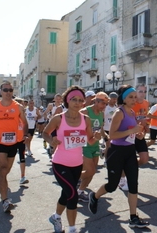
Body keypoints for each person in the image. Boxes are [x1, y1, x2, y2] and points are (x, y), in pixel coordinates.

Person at [88, 85, 149, 228]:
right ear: (124, 98)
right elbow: (113, 136)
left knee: (133, 185)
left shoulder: (132, 112)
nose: (134, 99)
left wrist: (138, 134)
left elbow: (130, 132)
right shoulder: (119, 113)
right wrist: (131, 131)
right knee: (112, 186)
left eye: (135, 97)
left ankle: (133, 217)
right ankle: (94, 196)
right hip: (117, 152)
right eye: (131, 97)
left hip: (130, 152)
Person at [43, 86, 99, 233]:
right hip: (60, 163)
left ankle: (56, 217)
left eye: (80, 100)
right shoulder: (58, 118)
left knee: (65, 194)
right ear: (68, 100)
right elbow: (44, 133)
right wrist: (51, 141)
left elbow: (90, 140)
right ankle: (73, 229)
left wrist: (97, 137)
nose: (77, 102)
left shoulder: (86, 120)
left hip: (77, 164)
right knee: (73, 195)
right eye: (74, 99)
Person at [0, 81, 29, 213]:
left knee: (5, 171)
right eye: (5, 90)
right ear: (0, 92)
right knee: (2, 169)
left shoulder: (18, 107)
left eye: (10, 90)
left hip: (13, 143)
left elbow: (25, 123)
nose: (8, 92)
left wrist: (25, 135)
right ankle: (5, 201)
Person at [77, 92, 109, 202]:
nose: (104, 106)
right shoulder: (85, 112)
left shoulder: (101, 114)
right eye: (103, 103)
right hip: (84, 145)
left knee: (92, 171)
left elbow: (100, 128)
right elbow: (73, 124)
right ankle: (71, 180)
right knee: (90, 171)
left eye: (106, 104)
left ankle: (80, 192)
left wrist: (106, 137)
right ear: (96, 101)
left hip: (95, 144)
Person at [102, 92, 118, 167]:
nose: (115, 100)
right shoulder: (105, 107)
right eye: (113, 99)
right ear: (109, 98)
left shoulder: (117, 107)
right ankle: (106, 160)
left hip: (114, 129)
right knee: (108, 145)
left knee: (113, 145)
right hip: (106, 129)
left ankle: (106, 154)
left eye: (116, 99)